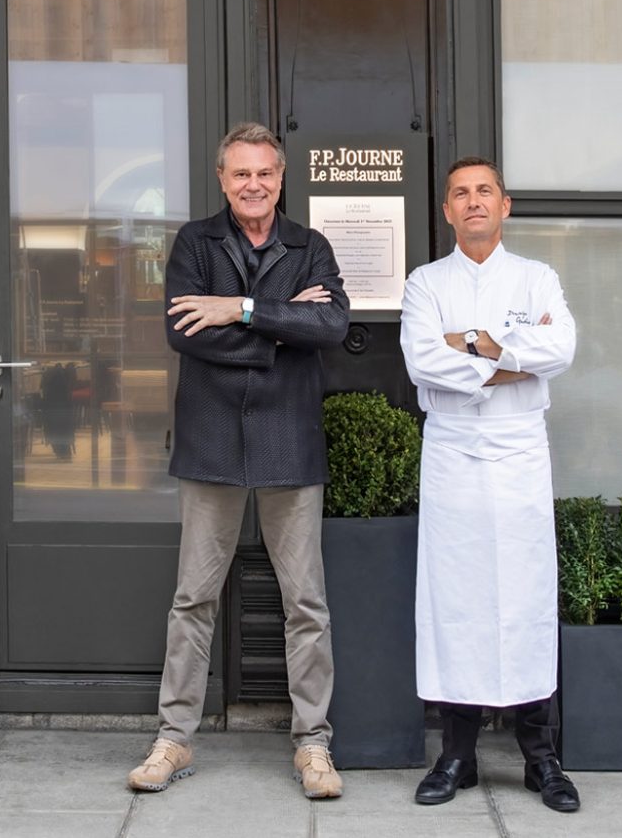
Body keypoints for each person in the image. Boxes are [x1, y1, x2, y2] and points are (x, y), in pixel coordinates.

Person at [127, 122, 351, 801]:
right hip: (212, 439)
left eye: (265, 173)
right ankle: (174, 736)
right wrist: (281, 328)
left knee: (305, 601)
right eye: (241, 173)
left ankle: (313, 742)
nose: (254, 184)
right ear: (223, 179)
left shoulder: (310, 246)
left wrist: (240, 308)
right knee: (193, 597)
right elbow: (184, 333)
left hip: (289, 439)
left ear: (281, 179)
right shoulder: (195, 243)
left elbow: (332, 325)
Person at [399, 156, 581, 813]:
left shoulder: (537, 277)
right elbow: (423, 360)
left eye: (484, 191)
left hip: (520, 451)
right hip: (452, 452)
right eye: (460, 193)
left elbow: (561, 349)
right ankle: (457, 754)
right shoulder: (425, 283)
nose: (472, 201)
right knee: (456, 597)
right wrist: (513, 354)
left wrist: (472, 342)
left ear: (505, 205)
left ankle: (539, 755)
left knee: (526, 594)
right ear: (447, 210)